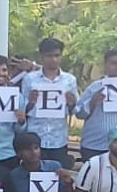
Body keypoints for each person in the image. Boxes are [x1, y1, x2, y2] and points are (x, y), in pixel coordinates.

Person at [22, 38, 78, 169]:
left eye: (57, 55)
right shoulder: (30, 79)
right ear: (41, 56)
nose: (53, 59)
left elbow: (75, 111)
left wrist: (71, 103)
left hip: (58, 138)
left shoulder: (70, 80)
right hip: (35, 136)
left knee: (57, 174)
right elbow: (22, 109)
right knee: (34, 174)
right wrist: (31, 102)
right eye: (49, 56)